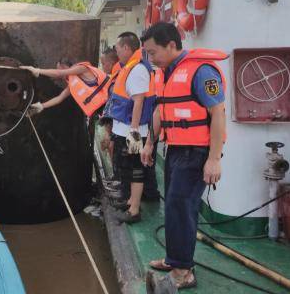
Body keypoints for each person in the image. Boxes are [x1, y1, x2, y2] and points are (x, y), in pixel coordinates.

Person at [141, 22, 227, 290]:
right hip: (176, 149)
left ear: (171, 45)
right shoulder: (164, 73)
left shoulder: (202, 72)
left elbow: (218, 114)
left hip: (197, 152)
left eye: (153, 52)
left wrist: (214, 159)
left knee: (182, 206)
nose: (150, 59)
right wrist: (149, 143)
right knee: (174, 205)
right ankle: (174, 258)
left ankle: (184, 271)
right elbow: (159, 111)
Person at [106, 32, 156, 224]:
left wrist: (134, 132)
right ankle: (129, 201)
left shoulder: (137, 70)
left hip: (133, 132)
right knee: (126, 167)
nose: (116, 52)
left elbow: (138, 101)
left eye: (118, 48)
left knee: (136, 169)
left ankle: (134, 210)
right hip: (123, 130)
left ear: (126, 48)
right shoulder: (129, 67)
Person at [20, 58, 110, 119]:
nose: (59, 75)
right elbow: (59, 98)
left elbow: (58, 73)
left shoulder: (81, 68)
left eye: (59, 68)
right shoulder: (72, 84)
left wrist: (38, 71)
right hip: (104, 110)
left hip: (110, 101)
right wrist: (41, 106)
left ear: (64, 67)